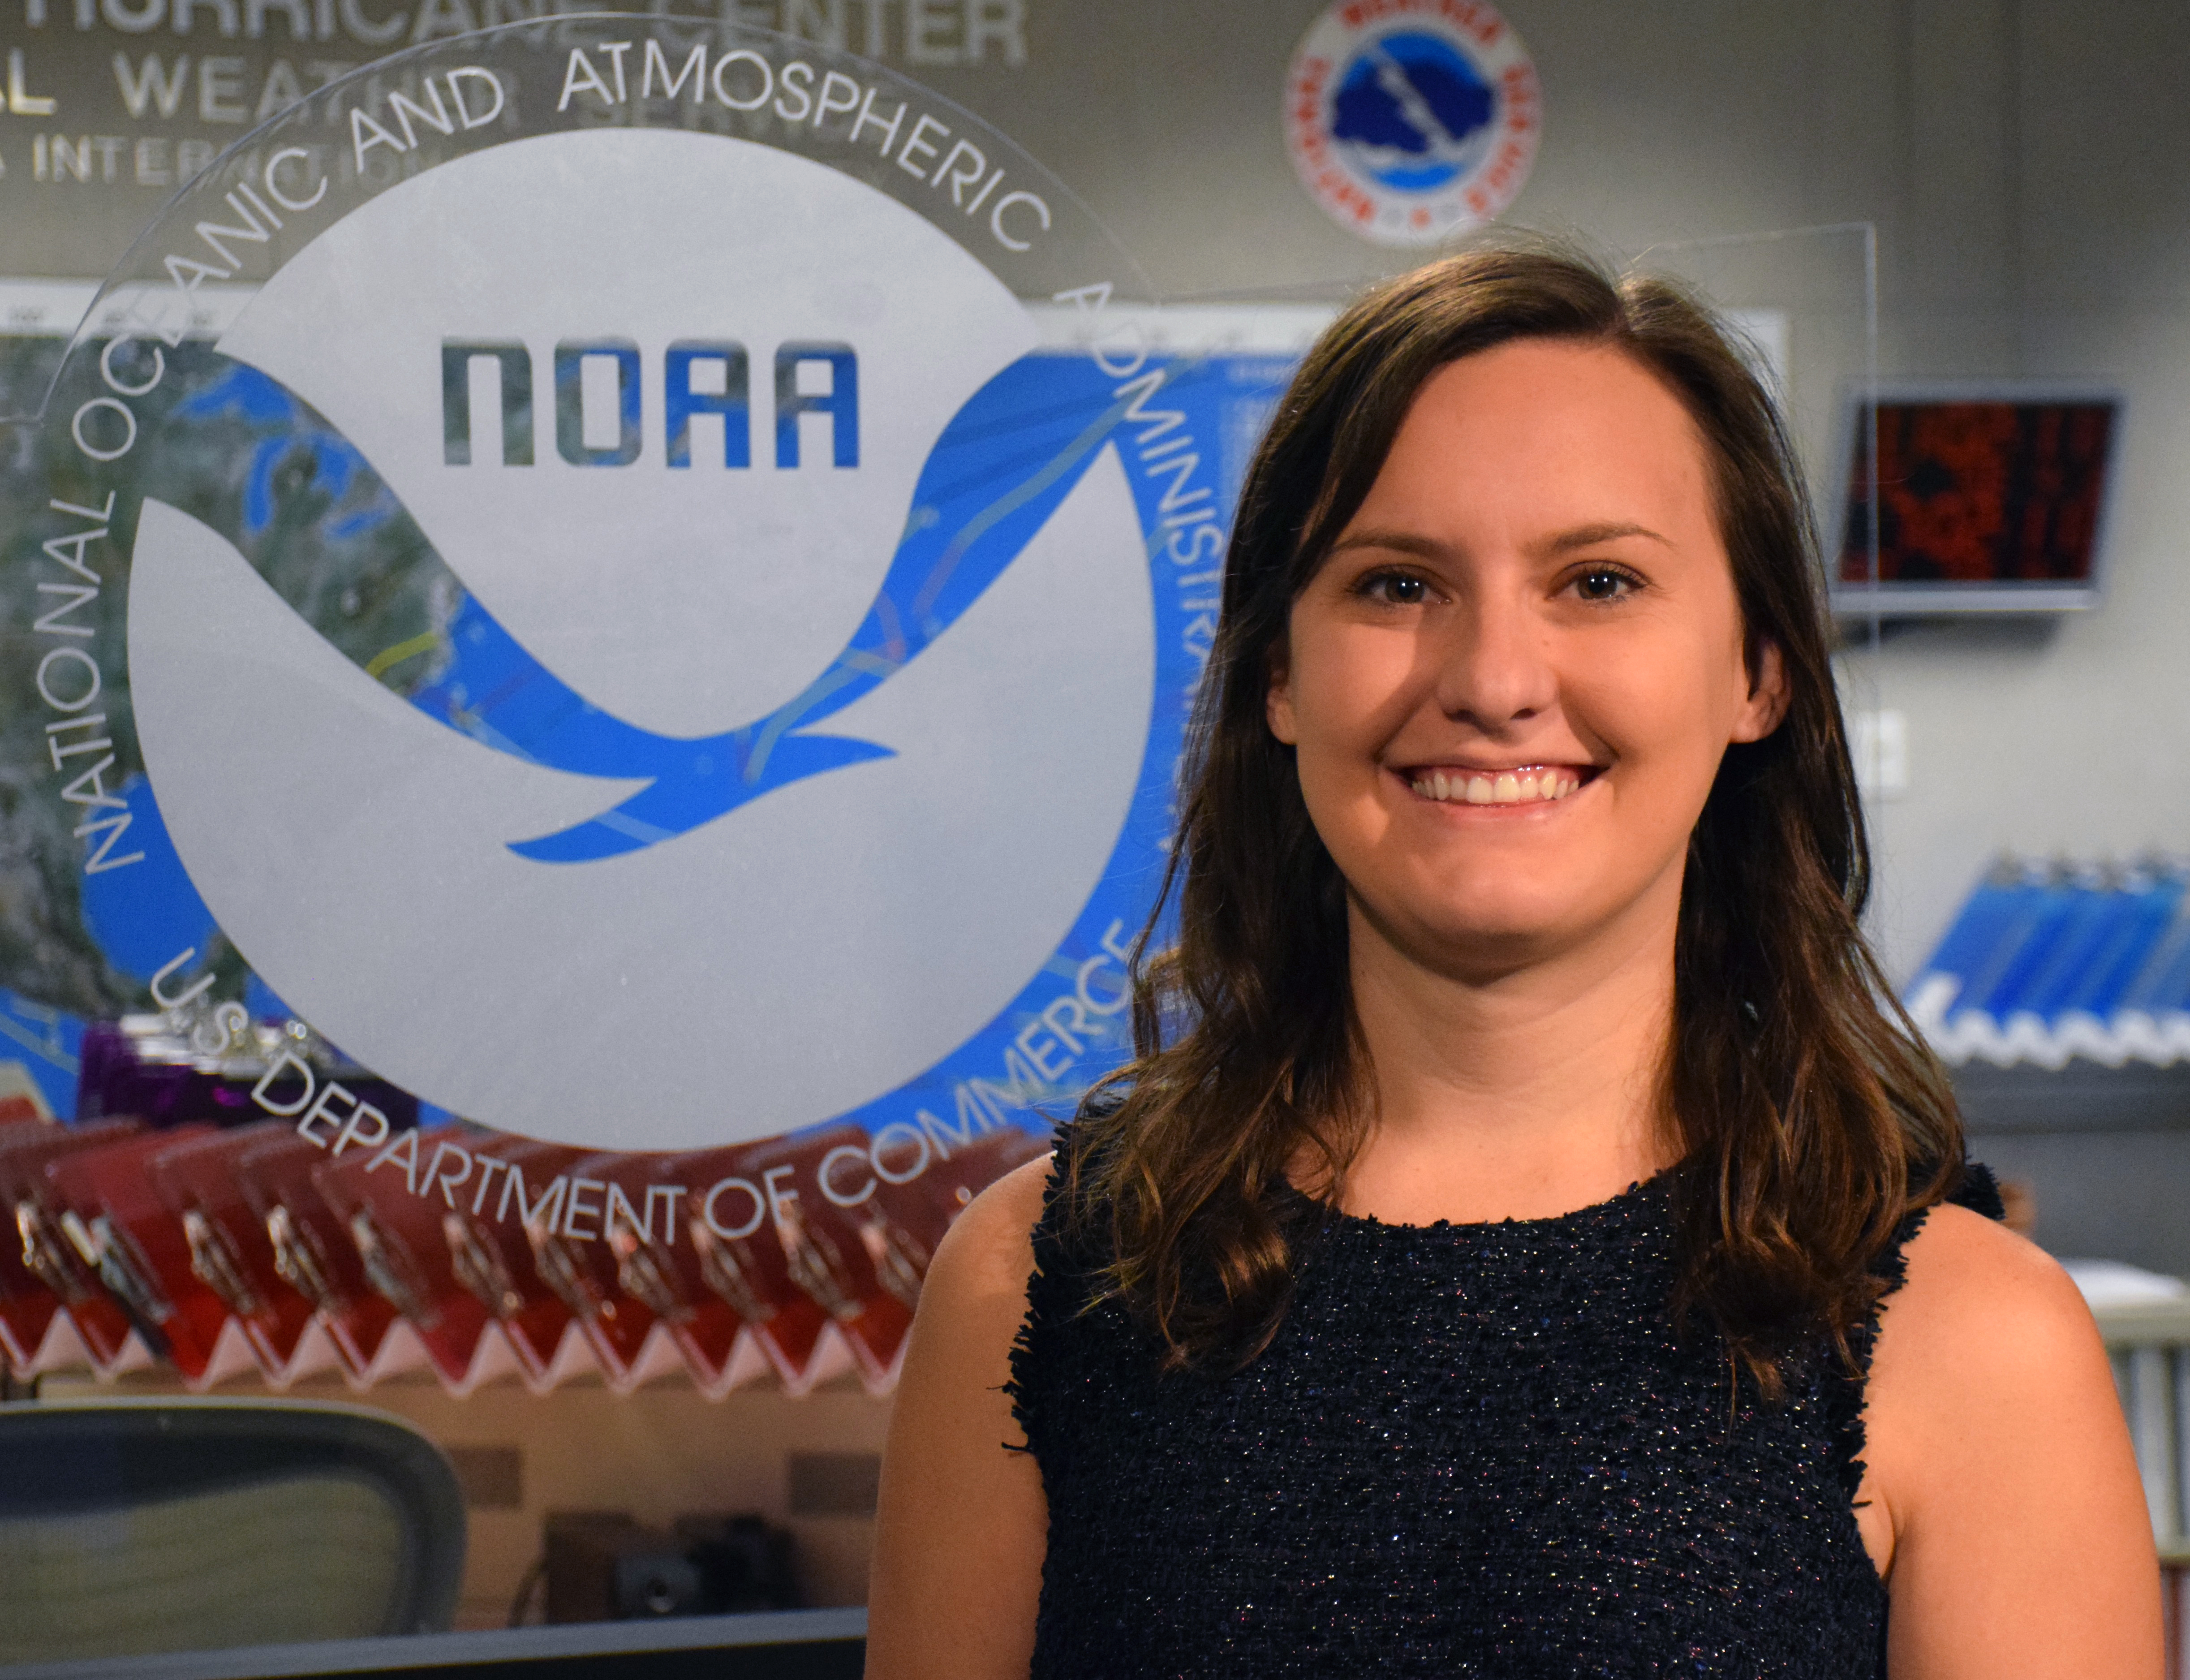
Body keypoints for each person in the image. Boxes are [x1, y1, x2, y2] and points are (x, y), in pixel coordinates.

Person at [864, 246, 2158, 1678]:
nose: (1490, 681)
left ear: (1757, 675)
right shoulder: (1032, 1290)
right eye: (1395, 583)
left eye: (1597, 581)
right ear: (1278, 676)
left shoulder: (1971, 1343)